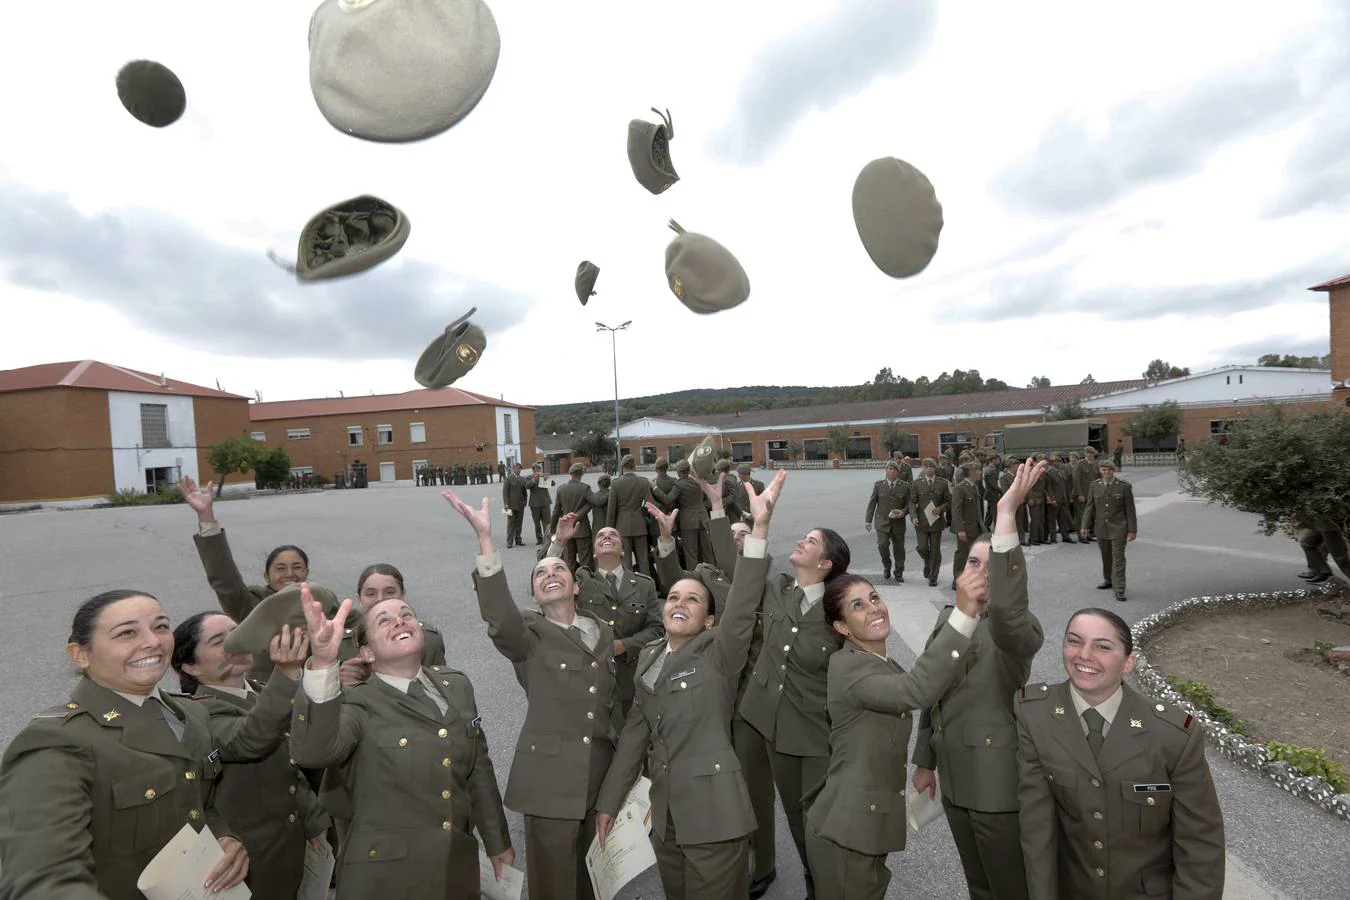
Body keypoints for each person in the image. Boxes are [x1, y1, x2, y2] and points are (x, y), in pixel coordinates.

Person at [0, 588, 306, 899]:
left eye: (160, 626)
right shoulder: (56, 742)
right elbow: (43, 882)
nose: (152, 641)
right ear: (80, 654)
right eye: (127, 633)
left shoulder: (189, 713)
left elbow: (200, 804)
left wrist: (223, 836)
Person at [594, 471, 785, 900]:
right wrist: (609, 801)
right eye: (674, 597)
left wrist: (760, 530)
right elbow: (634, 736)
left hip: (715, 820)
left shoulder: (719, 653)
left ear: (709, 621)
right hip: (667, 822)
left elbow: (742, 605)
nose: (679, 603)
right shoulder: (649, 656)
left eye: (693, 599)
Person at [444, 489, 624, 900]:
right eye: (540, 575)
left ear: (577, 586)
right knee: (556, 888)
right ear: (535, 596)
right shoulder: (528, 636)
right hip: (550, 785)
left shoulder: (600, 630)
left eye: (558, 569)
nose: (549, 576)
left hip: (600, 776)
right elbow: (499, 617)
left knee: (594, 882)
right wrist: (486, 542)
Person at [293, 587, 514, 899]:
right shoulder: (356, 703)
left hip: (455, 868)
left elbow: (477, 768)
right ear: (367, 653)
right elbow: (314, 752)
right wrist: (323, 665)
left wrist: (497, 840)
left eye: (406, 615)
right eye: (384, 620)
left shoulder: (457, 686)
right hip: (387, 879)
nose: (399, 621)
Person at [803, 559, 983, 900]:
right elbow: (916, 690)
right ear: (842, 628)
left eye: (873, 597)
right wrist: (964, 614)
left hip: (863, 826)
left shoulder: (876, 661)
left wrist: (924, 764)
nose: (874, 608)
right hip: (846, 833)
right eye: (857, 606)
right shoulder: (849, 668)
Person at [1016, 608, 1226, 899]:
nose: (1084, 655)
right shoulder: (1035, 713)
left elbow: (1200, 844)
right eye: (1074, 641)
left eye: (1102, 646)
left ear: (1128, 663)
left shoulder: (1172, 735)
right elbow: (1036, 828)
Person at [911, 458, 1049, 900]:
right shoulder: (949, 620)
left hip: (995, 786)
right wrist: (924, 760)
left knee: (1009, 886)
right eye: (972, 562)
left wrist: (1006, 515)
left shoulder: (1018, 628)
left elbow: (1008, 615)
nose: (977, 573)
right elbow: (931, 694)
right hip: (954, 775)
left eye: (990, 567)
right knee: (978, 884)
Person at [171, 612, 331, 900]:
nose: (236, 644)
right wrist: (286, 674)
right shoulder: (197, 713)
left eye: (238, 634)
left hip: (290, 846)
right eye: (219, 641)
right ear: (190, 667)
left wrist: (314, 820)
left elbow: (290, 763)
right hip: (247, 861)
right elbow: (249, 739)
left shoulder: (260, 691)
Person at [738, 522, 852, 900]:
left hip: (814, 732)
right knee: (788, 813)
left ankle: (821, 888)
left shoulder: (840, 612)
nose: (802, 540)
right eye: (804, 535)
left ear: (826, 563)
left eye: (813, 541)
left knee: (813, 827)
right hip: (769, 723)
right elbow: (738, 580)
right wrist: (748, 527)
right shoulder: (778, 589)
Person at [181, 474, 315, 682]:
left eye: (297, 567)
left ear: (307, 573)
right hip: (268, 698)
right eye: (280, 568)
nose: (290, 574)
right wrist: (206, 518)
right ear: (267, 576)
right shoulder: (253, 605)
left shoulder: (322, 603)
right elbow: (225, 579)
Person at [547, 518, 664, 718]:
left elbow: (656, 629)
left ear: (623, 551)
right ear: (594, 552)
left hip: (631, 678)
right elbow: (549, 579)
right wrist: (559, 542)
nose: (606, 537)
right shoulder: (581, 581)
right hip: (589, 678)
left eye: (613, 535)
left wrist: (625, 645)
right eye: (600, 535)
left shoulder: (645, 585)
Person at [1080, 458, 1138, 602]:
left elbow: (1130, 510)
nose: (1107, 472)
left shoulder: (1124, 486)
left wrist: (1132, 530)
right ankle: (1108, 580)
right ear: (1100, 471)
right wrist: (1084, 526)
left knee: (1118, 558)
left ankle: (1119, 589)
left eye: (1109, 470)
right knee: (1106, 556)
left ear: (1114, 471)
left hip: (1119, 527)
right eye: (1104, 470)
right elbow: (1089, 507)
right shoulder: (1095, 486)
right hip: (1101, 528)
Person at [608, 455, 656, 577]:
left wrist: (609, 529)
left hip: (622, 525)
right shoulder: (643, 482)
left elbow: (611, 509)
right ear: (634, 466)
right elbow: (651, 504)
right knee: (643, 559)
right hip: (639, 524)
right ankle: (647, 587)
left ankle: (629, 587)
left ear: (622, 467)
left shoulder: (616, 484)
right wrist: (642, 513)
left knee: (626, 560)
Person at [864, 458, 910, 583]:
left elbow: (909, 505)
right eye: (890, 469)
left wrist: (903, 512)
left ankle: (899, 572)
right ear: (886, 471)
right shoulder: (879, 485)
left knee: (899, 549)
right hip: (882, 521)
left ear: (898, 472)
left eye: (895, 469)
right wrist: (868, 520)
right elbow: (872, 503)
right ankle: (887, 566)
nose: (892, 471)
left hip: (898, 523)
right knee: (882, 545)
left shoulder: (905, 486)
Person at [552, 463, 603, 570]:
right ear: (581, 474)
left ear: (571, 474)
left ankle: (570, 583)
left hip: (566, 530)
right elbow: (596, 502)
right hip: (582, 528)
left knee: (569, 560)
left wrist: (553, 530)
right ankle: (586, 583)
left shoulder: (561, 489)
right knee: (585, 560)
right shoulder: (584, 488)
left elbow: (556, 511)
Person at [911, 458, 952, 587]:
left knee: (935, 549)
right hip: (921, 521)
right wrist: (913, 515)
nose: (929, 469)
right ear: (923, 468)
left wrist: (940, 509)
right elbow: (912, 501)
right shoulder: (917, 483)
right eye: (927, 466)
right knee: (922, 547)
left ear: (935, 469)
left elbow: (948, 501)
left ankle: (933, 575)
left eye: (932, 467)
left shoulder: (942, 483)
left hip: (936, 521)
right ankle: (928, 562)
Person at [950, 461, 985, 588]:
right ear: (971, 472)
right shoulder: (960, 488)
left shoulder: (973, 486)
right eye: (978, 470)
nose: (980, 472)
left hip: (976, 527)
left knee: (975, 554)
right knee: (962, 553)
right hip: (965, 527)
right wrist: (960, 530)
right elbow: (956, 510)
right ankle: (957, 578)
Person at [503, 463, 528, 548]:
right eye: (517, 468)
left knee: (519, 524)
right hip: (510, 506)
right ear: (513, 469)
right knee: (510, 524)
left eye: (520, 469)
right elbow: (505, 492)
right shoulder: (508, 479)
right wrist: (506, 503)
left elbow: (525, 493)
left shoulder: (522, 479)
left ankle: (518, 540)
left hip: (520, 506)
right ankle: (509, 542)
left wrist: (525, 502)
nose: (518, 470)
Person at [527, 463, 553, 545]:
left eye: (539, 469)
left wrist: (547, 478)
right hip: (534, 504)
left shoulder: (543, 476)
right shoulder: (529, 478)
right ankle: (539, 539)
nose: (538, 470)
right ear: (533, 470)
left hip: (545, 502)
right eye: (536, 469)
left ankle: (547, 538)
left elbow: (552, 484)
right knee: (537, 523)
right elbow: (527, 486)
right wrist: (534, 479)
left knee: (547, 522)